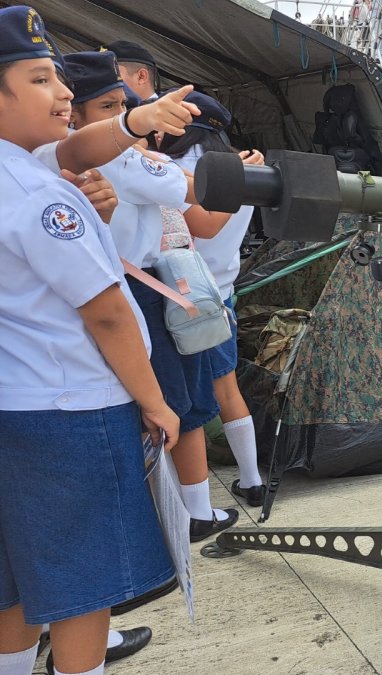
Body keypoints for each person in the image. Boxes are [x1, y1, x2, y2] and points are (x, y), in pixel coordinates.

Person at [0, 8, 178, 675]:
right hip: (72, 410)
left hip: (13, 406)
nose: (64, 93)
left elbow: (75, 146)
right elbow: (106, 313)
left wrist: (134, 121)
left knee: (16, 580)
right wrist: (156, 402)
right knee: (83, 592)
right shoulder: (39, 194)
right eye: (41, 78)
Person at [46, 51, 244, 542]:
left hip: (121, 289)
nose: (122, 120)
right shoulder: (118, 156)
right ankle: (190, 515)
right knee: (176, 406)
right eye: (109, 107)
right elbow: (195, 196)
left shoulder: (45, 160)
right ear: (75, 115)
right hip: (136, 290)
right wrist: (243, 177)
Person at [159, 91, 267, 506]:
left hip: (176, 300)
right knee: (227, 391)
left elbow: (198, 227)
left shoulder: (174, 169)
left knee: (184, 405)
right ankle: (252, 481)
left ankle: (194, 504)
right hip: (221, 296)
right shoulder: (245, 170)